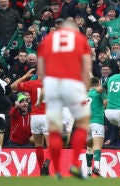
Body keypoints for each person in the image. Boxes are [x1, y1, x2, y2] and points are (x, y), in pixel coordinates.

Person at [37, 21, 91, 179]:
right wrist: (85, 89)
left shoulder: (48, 39)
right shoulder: (80, 38)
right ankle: (74, 164)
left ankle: (58, 171)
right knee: (82, 123)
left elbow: (41, 70)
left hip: (52, 84)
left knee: (54, 129)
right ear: (73, 29)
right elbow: (86, 67)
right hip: (73, 83)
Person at [11, 68, 50, 176]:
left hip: (34, 117)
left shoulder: (32, 83)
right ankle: (47, 162)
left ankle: (42, 169)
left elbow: (13, 86)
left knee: (38, 145)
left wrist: (26, 76)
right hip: (47, 116)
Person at [85, 77, 107, 177]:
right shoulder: (100, 91)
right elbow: (105, 103)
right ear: (98, 84)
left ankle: (89, 171)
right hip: (97, 121)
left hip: (86, 123)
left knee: (89, 147)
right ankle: (96, 167)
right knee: (97, 145)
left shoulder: (85, 94)